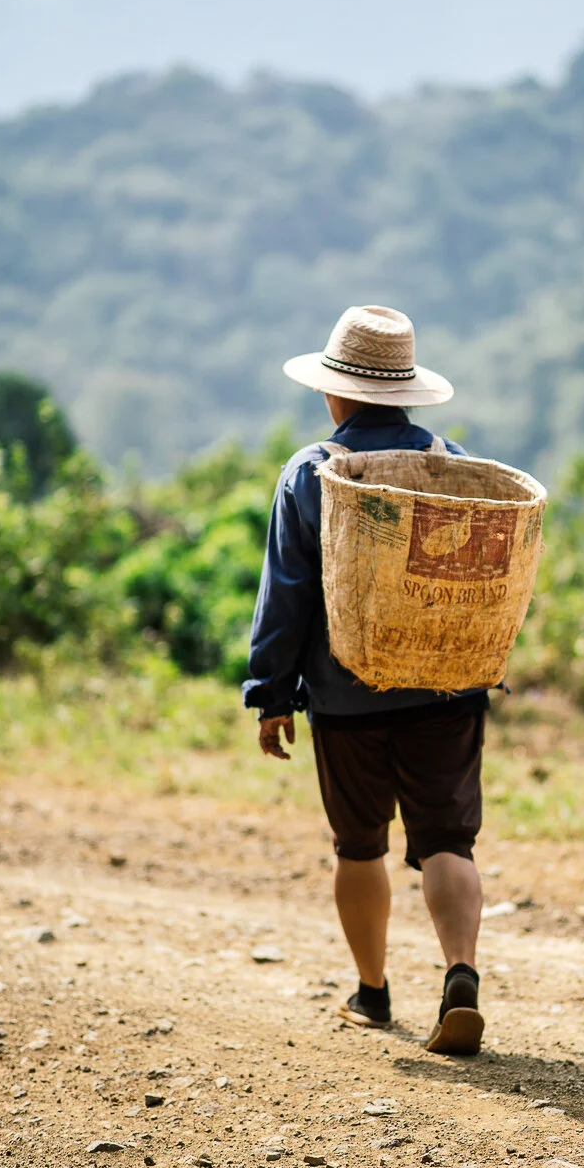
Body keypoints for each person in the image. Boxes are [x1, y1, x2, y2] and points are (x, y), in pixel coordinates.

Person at [243, 305, 486, 1055]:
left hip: (346, 698)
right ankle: (462, 974)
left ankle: (373, 994)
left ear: (334, 393)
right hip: (446, 690)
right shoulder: (454, 464)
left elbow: (285, 595)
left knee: (359, 846)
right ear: (406, 391)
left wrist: (270, 695)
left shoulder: (310, 472)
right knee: (448, 840)